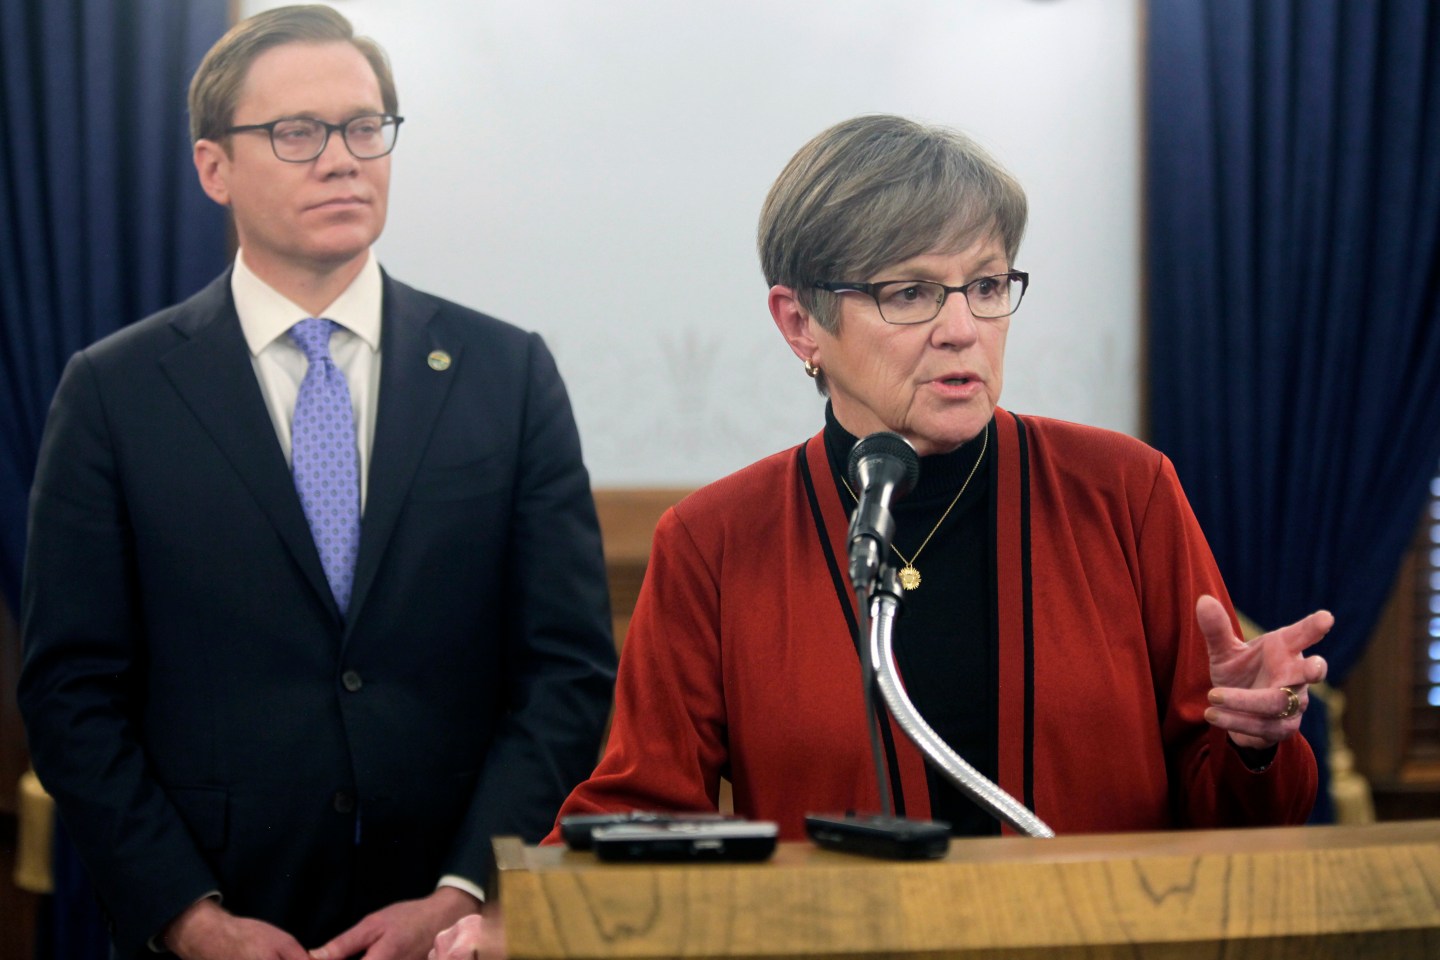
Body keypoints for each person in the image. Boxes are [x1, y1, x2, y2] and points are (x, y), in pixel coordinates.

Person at [429, 112, 1331, 953]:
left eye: (984, 285)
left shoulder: (1124, 491)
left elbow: (1237, 817)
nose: (961, 329)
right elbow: (641, 805)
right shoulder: (715, 542)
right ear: (799, 323)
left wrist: (1257, 743)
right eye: (909, 292)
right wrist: (525, 920)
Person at [18, 6, 616, 959]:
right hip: (219, 913)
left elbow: (568, 672)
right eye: (297, 133)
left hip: (454, 924)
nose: (343, 158)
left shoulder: (507, 375)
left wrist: (466, 890)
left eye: (365, 126)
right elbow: (71, 693)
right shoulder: (114, 392)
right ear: (214, 168)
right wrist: (187, 916)